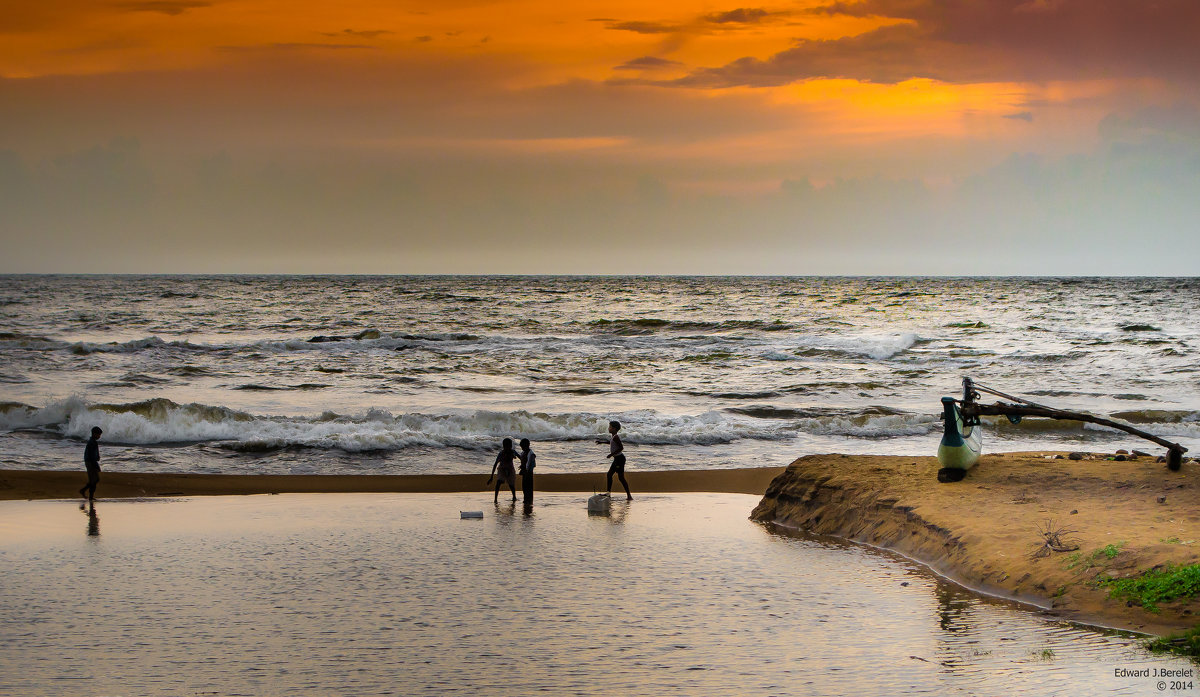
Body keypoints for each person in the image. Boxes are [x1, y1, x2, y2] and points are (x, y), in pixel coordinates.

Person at [599, 420, 631, 500]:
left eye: (610, 427)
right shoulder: (613, 436)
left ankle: (629, 496)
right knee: (609, 475)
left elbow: (621, 447)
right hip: (617, 459)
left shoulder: (616, 437)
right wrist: (601, 442)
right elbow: (611, 442)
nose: (608, 428)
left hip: (619, 459)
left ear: (614, 429)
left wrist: (611, 454)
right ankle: (608, 493)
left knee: (621, 478)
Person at [487, 437, 519, 503]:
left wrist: (523, 465)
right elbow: (495, 464)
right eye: (506, 446)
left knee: (511, 485)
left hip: (510, 469)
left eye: (509, 446)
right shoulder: (501, 454)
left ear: (511, 446)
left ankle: (514, 497)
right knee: (498, 483)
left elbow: (520, 457)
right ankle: (495, 499)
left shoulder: (513, 452)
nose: (507, 448)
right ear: (503, 446)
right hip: (502, 469)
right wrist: (491, 477)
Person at [79, 426, 102, 501]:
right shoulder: (92, 442)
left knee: (94, 480)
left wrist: (97, 457)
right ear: (94, 434)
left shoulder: (92, 441)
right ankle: (90, 496)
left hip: (90, 461)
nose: (99, 436)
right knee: (94, 480)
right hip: (90, 462)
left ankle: (85, 492)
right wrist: (96, 465)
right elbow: (92, 456)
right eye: (98, 434)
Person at [518, 438, 536, 503]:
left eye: (523, 447)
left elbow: (531, 464)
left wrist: (527, 470)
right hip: (525, 472)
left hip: (528, 473)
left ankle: (529, 499)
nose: (522, 448)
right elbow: (522, 459)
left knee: (528, 487)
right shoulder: (524, 452)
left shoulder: (531, 454)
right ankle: (526, 499)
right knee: (524, 487)